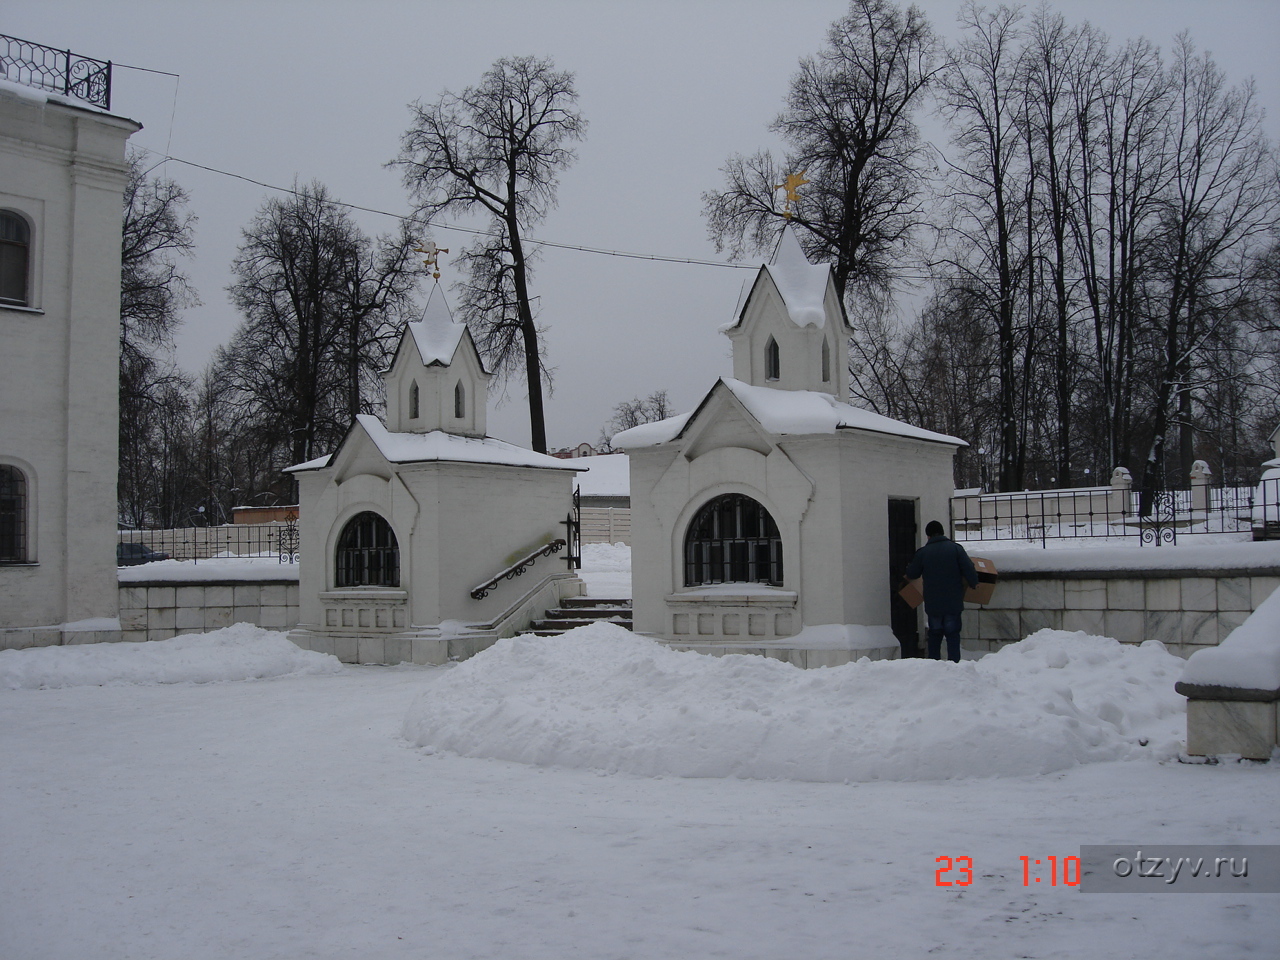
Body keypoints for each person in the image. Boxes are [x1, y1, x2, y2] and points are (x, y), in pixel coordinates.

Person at [904, 520, 978, 662]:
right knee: (953, 635)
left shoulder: (923, 553)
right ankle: (954, 665)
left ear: (928, 536)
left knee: (935, 634)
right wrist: (974, 584)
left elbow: (913, 574)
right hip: (953, 602)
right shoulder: (956, 549)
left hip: (933, 603)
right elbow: (969, 570)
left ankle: (934, 665)